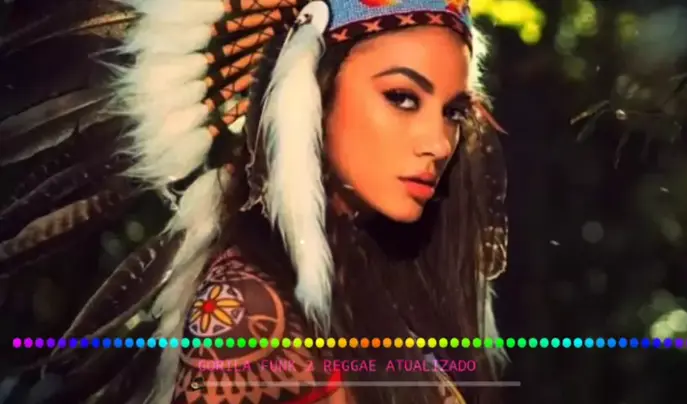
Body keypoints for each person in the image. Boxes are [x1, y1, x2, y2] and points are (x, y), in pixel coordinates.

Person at [0, 0, 508, 403]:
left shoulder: (370, 284)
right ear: (311, 93)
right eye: (401, 97)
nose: (438, 143)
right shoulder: (243, 309)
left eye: (452, 112)